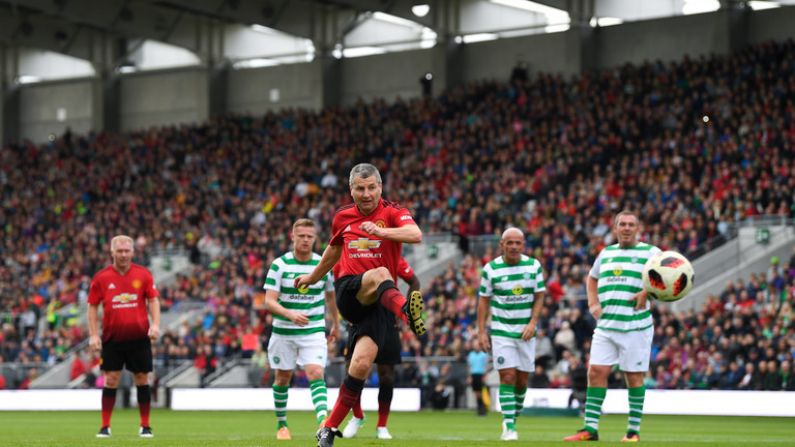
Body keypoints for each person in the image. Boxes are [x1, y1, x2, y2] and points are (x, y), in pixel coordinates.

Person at [295, 163, 426, 447]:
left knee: (361, 366)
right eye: (359, 188)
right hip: (350, 292)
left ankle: (328, 429)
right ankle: (406, 311)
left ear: (380, 187)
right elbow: (333, 251)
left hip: (379, 302)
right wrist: (312, 276)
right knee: (381, 273)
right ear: (351, 190)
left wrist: (383, 233)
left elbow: (415, 234)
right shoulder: (342, 216)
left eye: (371, 188)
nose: (366, 194)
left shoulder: (393, 212)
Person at [564, 210, 661, 442]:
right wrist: (592, 303)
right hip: (606, 326)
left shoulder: (652, 252)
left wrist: (647, 291)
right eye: (622, 224)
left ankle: (633, 431)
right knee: (595, 372)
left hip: (636, 327)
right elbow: (592, 278)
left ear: (638, 229)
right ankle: (590, 429)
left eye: (631, 224)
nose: (626, 228)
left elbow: (668, 279)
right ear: (615, 228)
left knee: (634, 377)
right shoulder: (606, 253)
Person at [264, 218, 340, 440]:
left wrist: (336, 324)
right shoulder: (280, 265)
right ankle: (282, 425)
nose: (306, 240)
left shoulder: (323, 264)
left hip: (313, 330)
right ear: (292, 237)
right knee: (282, 378)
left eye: (310, 236)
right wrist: (290, 314)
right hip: (283, 331)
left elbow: (330, 298)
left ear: (315, 238)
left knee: (316, 373)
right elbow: (269, 301)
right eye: (302, 236)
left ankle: (323, 423)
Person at [87, 235, 160, 438]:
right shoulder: (101, 278)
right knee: (111, 379)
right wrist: (93, 335)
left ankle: (145, 425)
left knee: (142, 378)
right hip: (112, 338)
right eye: (119, 251)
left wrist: (155, 324)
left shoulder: (143, 274)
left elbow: (153, 300)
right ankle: (105, 426)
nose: (124, 254)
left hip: (139, 337)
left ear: (133, 252)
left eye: (127, 250)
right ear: (112, 252)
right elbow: (92, 307)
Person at [477, 227, 546, 441]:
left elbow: (540, 296)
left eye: (518, 243)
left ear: (523, 245)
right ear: (502, 244)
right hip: (501, 332)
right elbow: (483, 301)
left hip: (526, 333)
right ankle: (509, 426)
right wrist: (481, 332)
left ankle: (512, 418)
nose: (514, 247)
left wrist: (533, 323)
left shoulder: (534, 266)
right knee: (507, 376)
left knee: (522, 381)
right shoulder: (490, 269)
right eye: (510, 243)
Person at [342, 256, 421, 439]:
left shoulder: (393, 258)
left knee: (386, 375)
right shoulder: (356, 254)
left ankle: (382, 425)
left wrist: (406, 310)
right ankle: (357, 416)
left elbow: (414, 281)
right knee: (351, 371)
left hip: (386, 320)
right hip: (360, 318)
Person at [467, 339, 490, 416]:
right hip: (474, 375)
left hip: (481, 375)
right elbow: (469, 366)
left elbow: (486, 366)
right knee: (476, 393)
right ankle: (479, 408)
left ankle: (483, 409)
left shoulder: (483, 354)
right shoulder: (471, 354)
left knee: (481, 392)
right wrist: (469, 376)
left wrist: (485, 375)